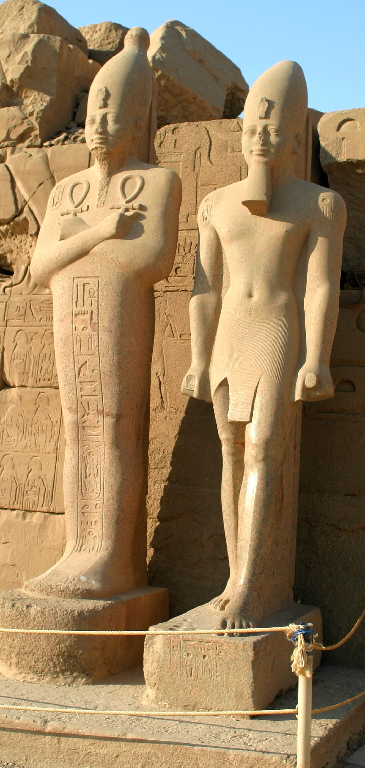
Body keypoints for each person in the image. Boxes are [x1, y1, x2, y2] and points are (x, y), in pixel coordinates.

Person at [182, 61, 346, 630]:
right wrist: (198, 358)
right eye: (253, 126)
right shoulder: (216, 203)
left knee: (262, 448)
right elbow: (205, 289)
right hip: (229, 332)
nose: (261, 136)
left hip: (276, 328)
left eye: (274, 128)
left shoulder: (318, 205)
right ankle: (235, 577)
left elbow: (320, 286)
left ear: (296, 138)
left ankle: (252, 584)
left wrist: (317, 358)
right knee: (230, 452)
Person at [25, 27, 181, 599]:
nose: (99, 122)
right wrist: (100, 231)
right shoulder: (66, 192)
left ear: (139, 118)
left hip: (118, 317)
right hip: (74, 317)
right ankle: (78, 548)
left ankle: (110, 556)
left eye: (112, 111)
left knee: (113, 427)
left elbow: (148, 258)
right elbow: (42, 267)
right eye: (93, 110)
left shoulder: (158, 182)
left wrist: (78, 239)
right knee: (77, 427)